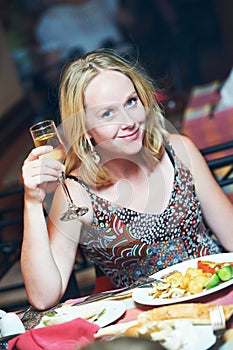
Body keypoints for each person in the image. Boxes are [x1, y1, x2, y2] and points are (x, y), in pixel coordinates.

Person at [21, 49, 233, 310]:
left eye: (131, 102)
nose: (129, 121)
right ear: (85, 129)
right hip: (154, 324)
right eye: (107, 113)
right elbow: (43, 297)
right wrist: (32, 201)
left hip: (221, 298)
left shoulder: (179, 150)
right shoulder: (76, 194)